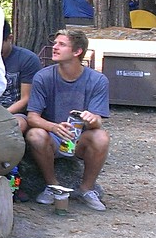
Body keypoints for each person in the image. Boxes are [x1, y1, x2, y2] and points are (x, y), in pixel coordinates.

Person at [25, 30, 111, 211]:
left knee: (101, 137)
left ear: (77, 51)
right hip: (53, 137)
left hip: (80, 138)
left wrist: (92, 118)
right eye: (55, 43)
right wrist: (54, 127)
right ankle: (53, 186)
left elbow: (98, 121)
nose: (54, 48)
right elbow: (32, 117)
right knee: (35, 135)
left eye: (61, 45)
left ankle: (86, 189)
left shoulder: (97, 80)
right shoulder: (43, 76)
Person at [0, 20, 41, 134]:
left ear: (9, 39)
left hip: (15, 111)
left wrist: (2, 115)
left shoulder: (27, 59)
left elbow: (26, 99)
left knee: (17, 124)